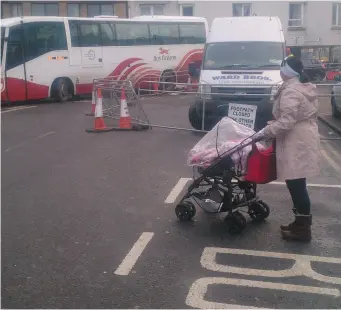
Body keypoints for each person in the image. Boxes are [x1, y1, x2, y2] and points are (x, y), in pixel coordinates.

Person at [253, 55, 321, 242]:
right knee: (297, 182)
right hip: (303, 137)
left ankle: (303, 229)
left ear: (286, 72)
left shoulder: (291, 91)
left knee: (296, 184)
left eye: (281, 69)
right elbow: (295, 116)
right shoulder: (303, 86)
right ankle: (300, 222)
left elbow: (287, 121)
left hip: (296, 141)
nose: (280, 72)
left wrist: (265, 132)